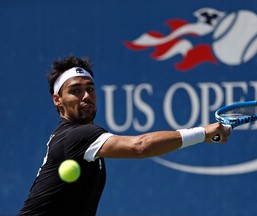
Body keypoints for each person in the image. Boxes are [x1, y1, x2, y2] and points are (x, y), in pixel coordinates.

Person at [18, 55, 231, 215]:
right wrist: (203, 133)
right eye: (75, 91)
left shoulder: (75, 138)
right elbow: (140, 146)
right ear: (58, 100)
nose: (86, 96)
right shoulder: (76, 136)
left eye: (90, 89)